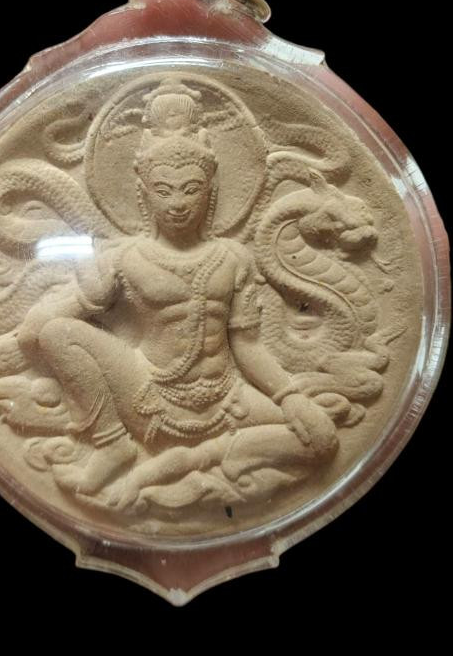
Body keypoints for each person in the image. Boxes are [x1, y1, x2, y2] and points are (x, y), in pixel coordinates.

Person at [17, 89, 338, 504]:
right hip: (147, 392)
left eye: (190, 189)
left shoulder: (232, 257)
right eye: (164, 190)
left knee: (322, 440)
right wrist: (88, 297)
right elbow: (35, 333)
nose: (178, 203)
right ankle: (112, 444)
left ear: (210, 189)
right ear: (143, 191)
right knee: (59, 332)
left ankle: (191, 460)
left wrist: (289, 397)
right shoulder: (124, 257)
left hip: (228, 399)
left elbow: (248, 346)